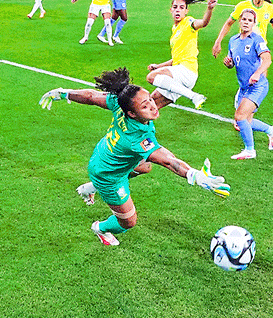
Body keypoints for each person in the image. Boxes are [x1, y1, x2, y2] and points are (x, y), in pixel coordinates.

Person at [38, 68, 230, 247]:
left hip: (104, 154)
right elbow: (168, 160)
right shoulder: (137, 138)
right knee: (128, 221)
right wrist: (195, 176)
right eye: (145, 106)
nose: (153, 107)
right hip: (108, 176)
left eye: (150, 100)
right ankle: (100, 228)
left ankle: (90, 187)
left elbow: (91, 96)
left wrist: (62, 93)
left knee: (145, 167)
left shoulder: (120, 103)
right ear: (132, 113)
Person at [147, 0, 224, 110]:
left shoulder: (188, 22)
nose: (178, 10)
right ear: (170, 10)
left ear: (186, 11)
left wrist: (209, 9)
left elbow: (203, 22)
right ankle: (145, 130)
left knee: (151, 77)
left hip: (186, 71)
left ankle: (193, 96)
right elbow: (176, 58)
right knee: (151, 104)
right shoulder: (174, 29)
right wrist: (158, 66)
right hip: (180, 74)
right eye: (175, 7)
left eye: (181, 8)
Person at [223, 8, 273, 160]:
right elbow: (233, 62)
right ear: (240, 21)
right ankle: (270, 130)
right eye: (244, 19)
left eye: (250, 20)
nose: (246, 22)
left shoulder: (257, 40)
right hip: (244, 87)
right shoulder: (233, 41)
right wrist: (228, 63)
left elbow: (267, 59)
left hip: (258, 86)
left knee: (240, 116)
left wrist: (257, 73)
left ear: (254, 23)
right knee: (244, 121)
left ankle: (250, 150)